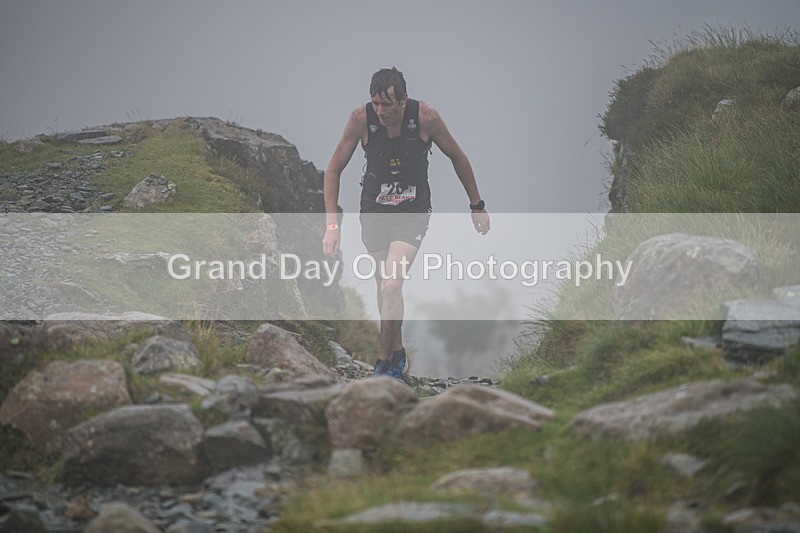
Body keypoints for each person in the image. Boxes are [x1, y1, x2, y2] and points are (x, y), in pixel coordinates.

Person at [322, 67, 490, 378]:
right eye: (376, 104)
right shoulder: (360, 120)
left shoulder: (426, 118)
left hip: (412, 211)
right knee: (384, 288)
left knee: (391, 284)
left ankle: (384, 363)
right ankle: (398, 352)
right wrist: (332, 226)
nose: (381, 112)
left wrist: (476, 205)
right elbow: (333, 171)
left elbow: (458, 157)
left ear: (403, 100)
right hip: (374, 212)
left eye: (387, 105)